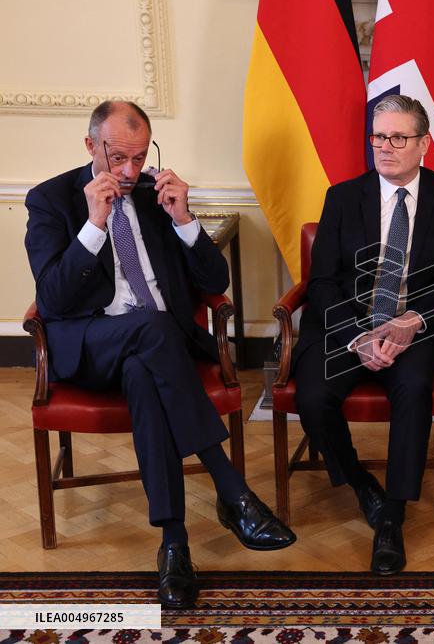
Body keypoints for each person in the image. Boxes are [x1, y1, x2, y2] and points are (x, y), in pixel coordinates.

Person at [24, 101, 296, 609]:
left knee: (146, 371)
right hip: (89, 346)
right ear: (91, 146)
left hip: (153, 352)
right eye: (118, 158)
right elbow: (54, 301)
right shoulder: (51, 200)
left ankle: (175, 546)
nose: (129, 172)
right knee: (149, 330)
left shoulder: (156, 195)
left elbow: (216, 283)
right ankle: (232, 490)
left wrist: (185, 219)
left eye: (139, 157)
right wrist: (94, 224)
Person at [292, 94, 434, 576]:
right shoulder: (343, 196)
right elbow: (323, 280)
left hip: (411, 327)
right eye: (378, 136)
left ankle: (392, 516)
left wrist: (416, 317)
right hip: (346, 326)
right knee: (312, 397)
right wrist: (356, 336)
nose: (385, 147)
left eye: (398, 137)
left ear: (424, 144)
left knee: (415, 389)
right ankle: (361, 485)